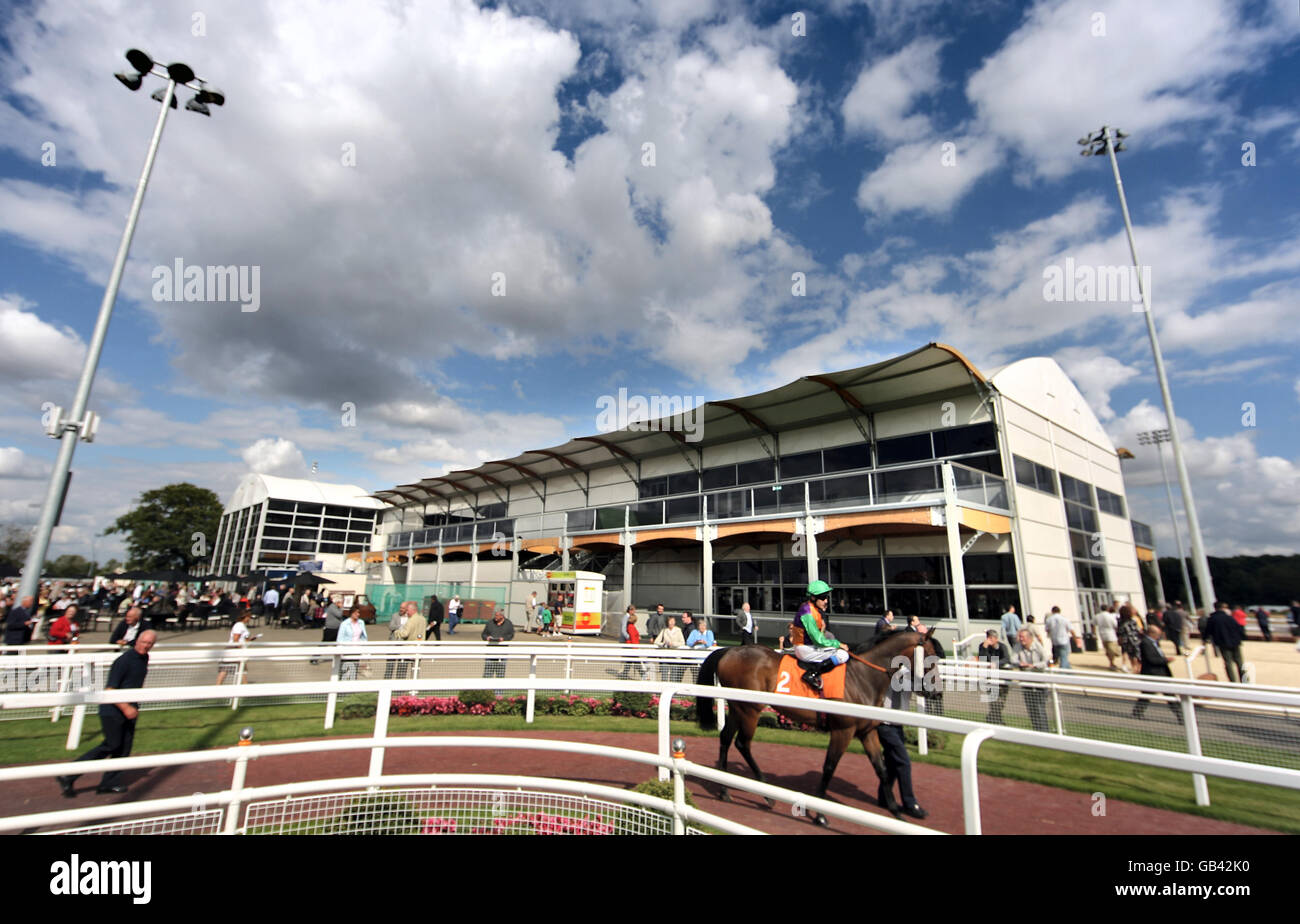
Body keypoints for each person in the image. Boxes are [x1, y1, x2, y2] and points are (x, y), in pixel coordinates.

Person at [57, 630, 158, 797]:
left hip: (130, 708)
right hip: (112, 709)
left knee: (124, 748)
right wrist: (126, 707)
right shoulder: (124, 661)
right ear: (137, 641)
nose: (145, 646)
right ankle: (68, 774)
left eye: (149, 644)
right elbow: (110, 689)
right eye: (143, 642)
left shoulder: (144, 658)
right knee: (111, 745)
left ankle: (109, 783)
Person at [877, 656, 928, 819]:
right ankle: (909, 803)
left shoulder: (909, 673)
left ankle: (884, 797)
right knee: (903, 762)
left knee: (892, 763)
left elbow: (922, 690)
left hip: (897, 725)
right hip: (885, 724)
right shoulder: (891, 672)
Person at [789, 580, 849, 693]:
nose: (826, 600)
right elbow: (818, 640)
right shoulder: (808, 612)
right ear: (812, 598)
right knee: (843, 655)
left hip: (808, 646)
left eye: (826, 597)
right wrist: (838, 644)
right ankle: (812, 674)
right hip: (805, 649)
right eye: (823, 597)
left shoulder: (812, 609)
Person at [1132, 624, 1183, 722]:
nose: (1159, 636)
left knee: (1164, 695)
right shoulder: (1145, 643)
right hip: (1153, 673)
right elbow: (1151, 659)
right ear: (1152, 633)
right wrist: (1166, 660)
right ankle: (1182, 716)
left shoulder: (1154, 643)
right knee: (1151, 695)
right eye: (1158, 634)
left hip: (1160, 672)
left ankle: (1181, 716)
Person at [1012, 628, 1051, 733]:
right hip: (1026, 682)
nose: (1020, 639)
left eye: (1022, 637)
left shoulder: (1038, 646)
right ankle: (1036, 731)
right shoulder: (1017, 646)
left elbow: (1045, 661)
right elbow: (1013, 659)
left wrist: (1032, 665)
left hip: (1039, 682)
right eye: (1020, 637)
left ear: (1030, 638)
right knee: (1031, 708)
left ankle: (1044, 732)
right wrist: (1020, 664)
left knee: (1040, 708)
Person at [973, 629, 1013, 723]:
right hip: (990, 677)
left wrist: (997, 663)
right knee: (993, 699)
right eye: (988, 638)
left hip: (1002, 678)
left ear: (996, 638)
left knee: (1000, 700)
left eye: (991, 638)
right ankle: (996, 719)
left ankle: (993, 718)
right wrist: (985, 648)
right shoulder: (983, 646)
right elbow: (982, 659)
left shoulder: (1002, 647)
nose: (989, 640)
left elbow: (1007, 659)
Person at [1204, 601, 1246, 683]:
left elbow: (1207, 631)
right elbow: (1239, 628)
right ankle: (1244, 680)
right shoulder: (1229, 617)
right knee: (1240, 662)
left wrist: (1205, 639)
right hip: (1235, 642)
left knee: (1228, 663)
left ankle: (1233, 681)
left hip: (1223, 643)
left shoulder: (1212, 619)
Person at [216, 611, 260, 685]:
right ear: (245, 617)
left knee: (239, 669)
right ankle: (219, 685)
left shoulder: (243, 626)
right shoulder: (239, 625)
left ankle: (219, 685)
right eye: (248, 617)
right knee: (230, 669)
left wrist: (251, 639)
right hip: (234, 649)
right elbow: (236, 638)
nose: (249, 619)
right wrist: (240, 649)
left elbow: (244, 639)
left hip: (238, 648)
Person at [389, 600, 426, 680]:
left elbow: (405, 634)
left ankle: (400, 690)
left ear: (413, 610)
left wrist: (397, 632)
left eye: (408, 611)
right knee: (415, 671)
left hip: (408, 649)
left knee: (401, 671)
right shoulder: (423, 619)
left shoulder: (411, 620)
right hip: (419, 648)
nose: (407, 613)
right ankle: (414, 690)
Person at [481, 608, 515, 693]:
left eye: (497, 615)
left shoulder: (508, 623)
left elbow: (511, 635)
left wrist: (504, 639)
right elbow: (483, 634)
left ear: (502, 616)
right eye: (495, 615)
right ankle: (486, 692)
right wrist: (487, 638)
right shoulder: (490, 623)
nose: (495, 617)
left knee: (500, 674)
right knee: (487, 673)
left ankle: (498, 694)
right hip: (490, 652)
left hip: (502, 653)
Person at [337, 607, 368, 680]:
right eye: (355, 613)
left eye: (358, 613)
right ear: (351, 613)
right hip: (347, 649)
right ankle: (341, 687)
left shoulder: (361, 622)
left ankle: (352, 687)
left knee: (354, 669)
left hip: (357, 649)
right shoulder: (344, 624)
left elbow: (363, 636)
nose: (357, 614)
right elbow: (340, 638)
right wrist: (340, 650)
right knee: (345, 668)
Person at [653, 614, 686, 683]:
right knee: (664, 676)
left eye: (673, 621)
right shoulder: (664, 630)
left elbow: (682, 642)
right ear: (667, 622)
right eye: (670, 621)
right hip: (666, 656)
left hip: (675, 656)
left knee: (673, 677)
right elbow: (656, 641)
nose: (671, 623)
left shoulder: (678, 630)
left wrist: (673, 644)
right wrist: (664, 644)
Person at [1117, 604, 1143, 674]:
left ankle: (1133, 667)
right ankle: (1137, 669)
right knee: (1137, 655)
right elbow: (1138, 630)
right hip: (1134, 640)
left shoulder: (1120, 621)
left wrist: (1119, 639)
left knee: (1130, 654)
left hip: (1125, 640)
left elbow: (1119, 632)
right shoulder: (1132, 621)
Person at [1097, 603, 1122, 671]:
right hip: (1111, 635)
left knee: (1107, 649)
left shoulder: (1098, 616)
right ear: (1107, 609)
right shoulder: (1110, 616)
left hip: (1102, 635)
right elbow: (1115, 625)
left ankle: (1111, 662)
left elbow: (1093, 624)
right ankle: (1112, 663)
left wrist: (1094, 633)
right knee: (1112, 650)